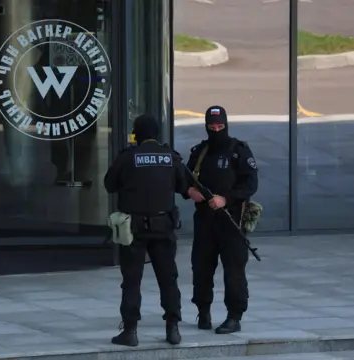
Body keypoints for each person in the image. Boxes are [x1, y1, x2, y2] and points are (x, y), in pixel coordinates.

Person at [104, 114, 188, 347]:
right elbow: (183, 186)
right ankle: (173, 328)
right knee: (168, 279)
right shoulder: (171, 158)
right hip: (163, 228)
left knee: (132, 280)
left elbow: (109, 184)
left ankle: (130, 331)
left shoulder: (128, 157)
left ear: (137, 134)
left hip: (134, 229)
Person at [183, 105, 259, 334]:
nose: (216, 130)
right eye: (212, 127)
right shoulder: (200, 152)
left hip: (231, 221)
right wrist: (189, 192)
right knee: (201, 268)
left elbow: (250, 184)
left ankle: (234, 316)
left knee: (234, 270)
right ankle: (203, 311)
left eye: (220, 126)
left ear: (226, 125)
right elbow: (184, 178)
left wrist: (226, 199)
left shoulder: (239, 151)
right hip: (205, 222)